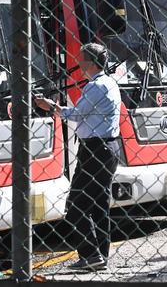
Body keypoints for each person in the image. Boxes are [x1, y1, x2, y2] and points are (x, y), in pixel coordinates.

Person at [35, 43, 121, 270]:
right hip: (109, 148)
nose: (78, 63)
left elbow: (75, 114)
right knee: (100, 203)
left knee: (77, 203)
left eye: (81, 59)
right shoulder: (110, 82)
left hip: (95, 150)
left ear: (90, 62)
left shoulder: (95, 86)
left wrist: (50, 106)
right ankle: (100, 255)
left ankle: (90, 255)